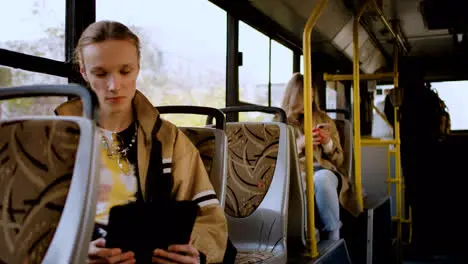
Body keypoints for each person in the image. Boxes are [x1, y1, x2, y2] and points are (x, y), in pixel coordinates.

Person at [55, 20, 227, 264]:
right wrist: (73, 254)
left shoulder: (169, 139)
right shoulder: (55, 140)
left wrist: (194, 253)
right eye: (100, 73)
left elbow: (209, 219)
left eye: (125, 71)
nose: (114, 86)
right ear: (83, 72)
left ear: (137, 68)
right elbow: (27, 226)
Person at [280, 73, 362, 241]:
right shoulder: (280, 122)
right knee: (302, 182)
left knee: (322, 179)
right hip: (296, 175)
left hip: (324, 170)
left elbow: (340, 161)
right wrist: (299, 145)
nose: (308, 103)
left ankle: (333, 234)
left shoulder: (324, 119)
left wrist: (327, 143)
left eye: (311, 97)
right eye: (303, 98)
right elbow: (274, 161)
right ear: (293, 97)